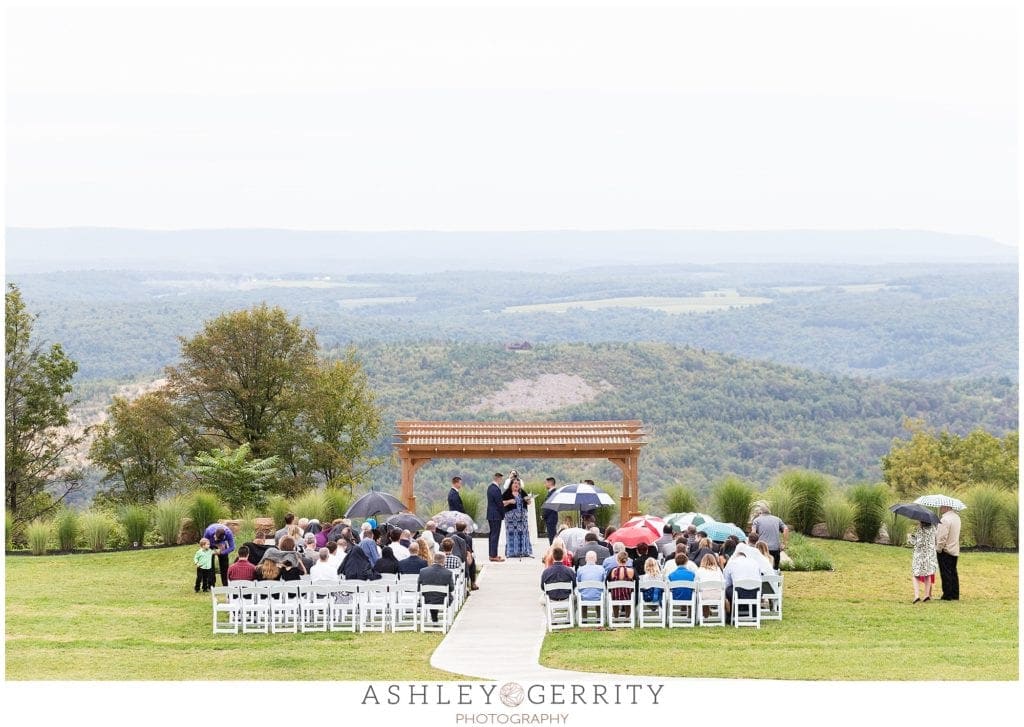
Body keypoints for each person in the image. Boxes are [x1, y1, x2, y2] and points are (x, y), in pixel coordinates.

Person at [501, 473, 533, 558]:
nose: (516, 485)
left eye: (518, 484)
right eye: (515, 483)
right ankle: (512, 552)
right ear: (511, 484)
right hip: (511, 520)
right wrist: (509, 501)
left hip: (522, 519)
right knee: (512, 534)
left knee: (523, 534)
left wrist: (528, 500)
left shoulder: (522, 492)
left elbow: (529, 503)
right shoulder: (507, 493)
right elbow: (501, 503)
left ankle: (524, 551)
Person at [418, 553, 455, 622]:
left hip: (426, 599)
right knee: (446, 596)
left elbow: (418, 587)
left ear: (433, 560)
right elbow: (451, 588)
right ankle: (436, 619)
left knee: (432, 595)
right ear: (444, 561)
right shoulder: (448, 573)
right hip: (443, 600)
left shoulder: (423, 571)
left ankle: (434, 618)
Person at [908, 520, 938, 603]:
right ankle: (926, 595)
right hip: (930, 556)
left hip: (920, 556)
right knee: (928, 574)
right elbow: (936, 540)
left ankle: (917, 596)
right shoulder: (934, 529)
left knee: (915, 575)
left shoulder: (920, 530)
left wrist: (910, 538)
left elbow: (917, 543)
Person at [935, 505, 961, 601]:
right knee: (953, 572)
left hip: (945, 550)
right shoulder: (957, 518)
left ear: (946, 507)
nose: (940, 508)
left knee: (945, 572)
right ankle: (955, 593)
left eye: (941, 507)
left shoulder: (945, 520)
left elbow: (942, 537)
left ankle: (947, 595)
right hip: (954, 549)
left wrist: (938, 548)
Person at [751, 505, 789, 570]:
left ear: (760, 513)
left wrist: (753, 545)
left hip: (762, 549)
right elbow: (786, 529)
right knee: (775, 569)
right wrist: (784, 543)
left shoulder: (756, 520)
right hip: (775, 548)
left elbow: (753, 533)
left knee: (761, 569)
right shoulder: (777, 519)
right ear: (769, 512)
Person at [576, 550, 605, 619]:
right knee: (598, 591)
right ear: (596, 559)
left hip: (584, 596)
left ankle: (584, 618)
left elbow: (579, 582)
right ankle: (599, 617)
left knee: (583, 590)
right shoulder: (601, 569)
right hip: (598, 596)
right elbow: (603, 580)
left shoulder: (580, 569)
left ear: (586, 559)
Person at [607, 550, 635, 620]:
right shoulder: (631, 571)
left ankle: (616, 617)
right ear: (627, 560)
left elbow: (608, 581)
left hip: (615, 596)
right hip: (627, 596)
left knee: (614, 592)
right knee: (629, 594)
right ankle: (627, 618)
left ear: (617, 560)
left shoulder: (613, 571)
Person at [695, 553, 725, 619]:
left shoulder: (699, 570)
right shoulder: (718, 570)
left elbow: (696, 584)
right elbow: (723, 583)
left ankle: (703, 613)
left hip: (703, 595)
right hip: (718, 595)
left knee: (699, 592)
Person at [486, 472, 506, 562]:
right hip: (496, 515)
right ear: (497, 478)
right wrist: (503, 514)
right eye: (501, 479)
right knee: (495, 535)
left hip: (491, 515)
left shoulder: (490, 488)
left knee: (492, 535)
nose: (501, 481)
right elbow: (499, 504)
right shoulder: (496, 489)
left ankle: (491, 554)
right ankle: (493, 555)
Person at [453, 521, 478, 590]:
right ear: (465, 529)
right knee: (472, 563)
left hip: (452, 555)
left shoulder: (449, 536)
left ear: (455, 528)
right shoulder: (468, 538)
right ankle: (473, 583)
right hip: (463, 557)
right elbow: (469, 550)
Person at [542, 477, 560, 544]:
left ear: (550, 483)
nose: (545, 484)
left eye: (546, 483)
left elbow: (549, 506)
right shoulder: (552, 492)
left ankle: (553, 550)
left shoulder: (553, 493)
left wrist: (543, 515)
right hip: (551, 517)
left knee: (552, 536)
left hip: (551, 517)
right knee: (551, 536)